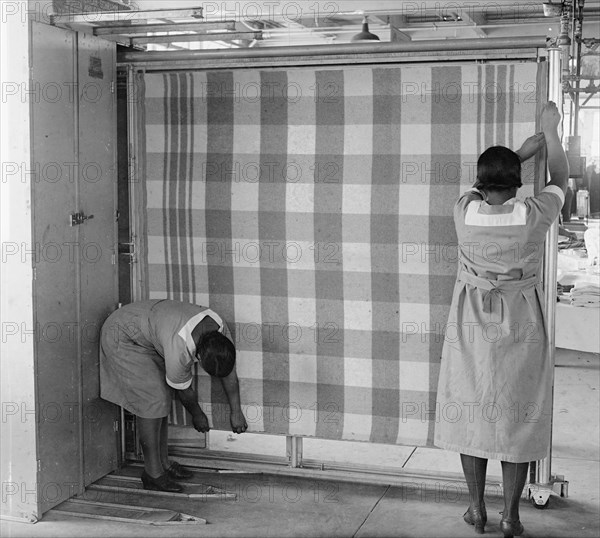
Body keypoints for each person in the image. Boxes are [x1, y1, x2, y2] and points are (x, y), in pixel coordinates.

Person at [434, 101, 568, 537]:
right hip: (521, 320)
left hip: (471, 321)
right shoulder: (532, 215)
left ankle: (477, 509)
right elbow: (561, 180)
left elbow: (479, 184)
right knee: (519, 414)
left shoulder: (463, 211)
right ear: (517, 183)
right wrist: (549, 132)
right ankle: (511, 516)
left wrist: (518, 153)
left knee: (471, 412)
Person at [99, 299, 248, 492]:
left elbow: (229, 375)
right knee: (154, 401)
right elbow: (185, 392)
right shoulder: (180, 349)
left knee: (161, 398)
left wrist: (236, 412)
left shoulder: (219, 327)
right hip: (122, 335)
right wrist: (197, 415)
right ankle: (153, 474)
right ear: (199, 358)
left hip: (146, 331)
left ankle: (164, 464)